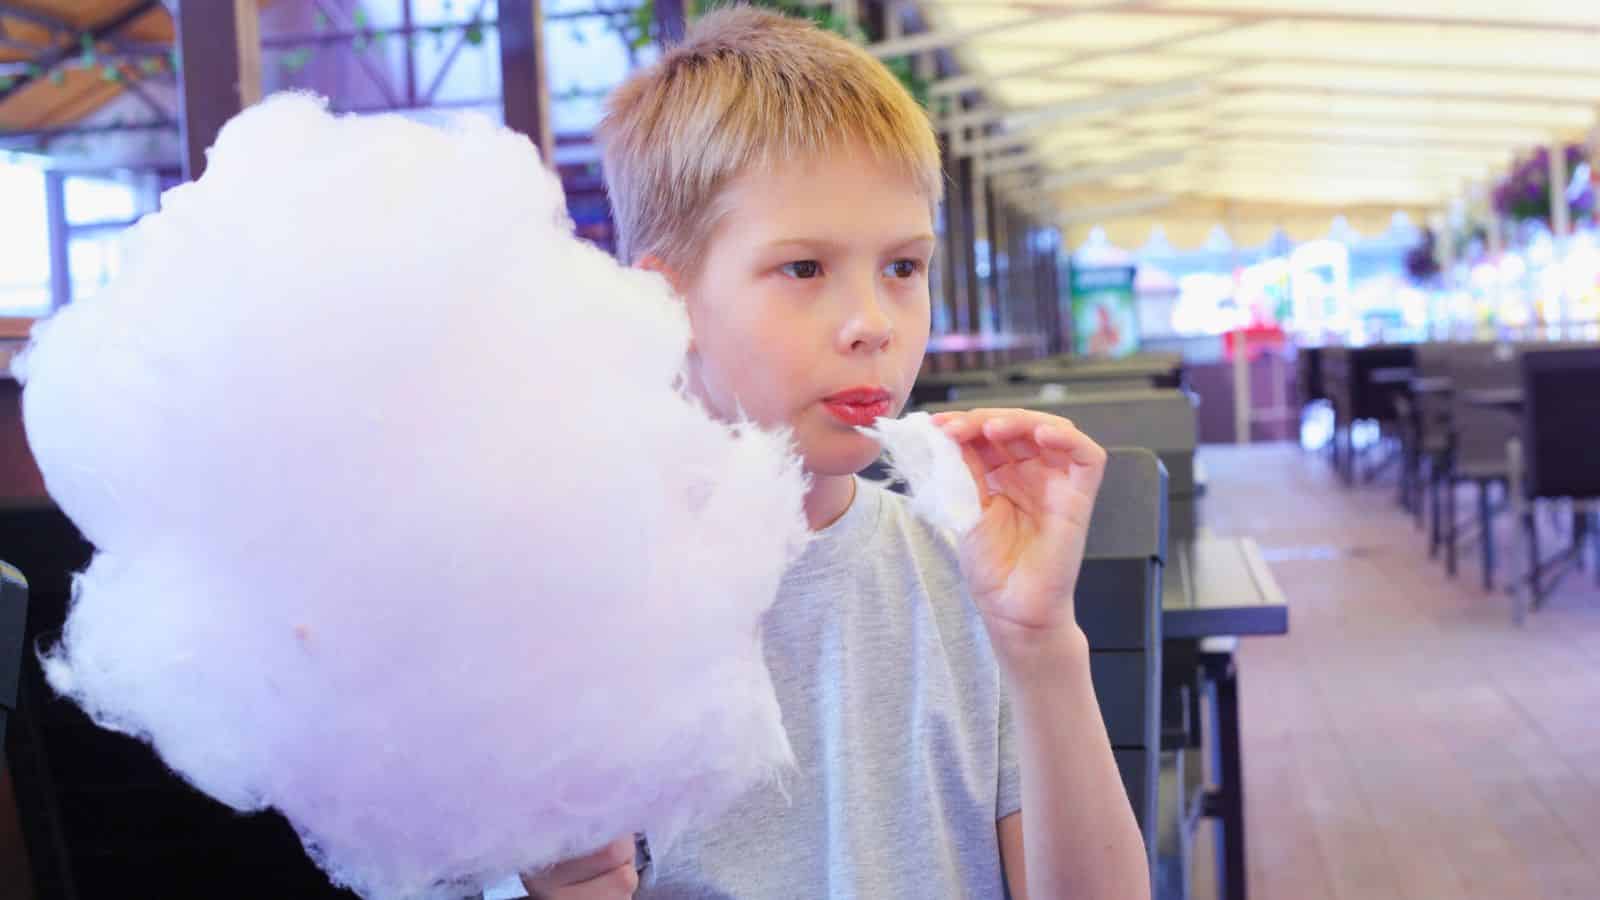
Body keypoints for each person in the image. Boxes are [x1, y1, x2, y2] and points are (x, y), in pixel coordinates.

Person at [520, 6, 1149, 898]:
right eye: (804, 269)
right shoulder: (567, 600)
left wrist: (1041, 645)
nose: (873, 326)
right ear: (665, 305)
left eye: (903, 266)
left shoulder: (959, 561)